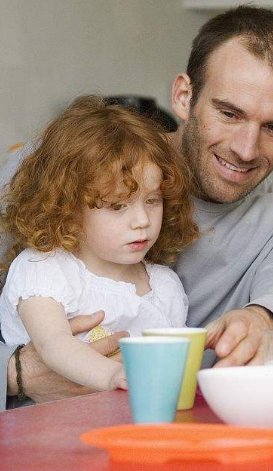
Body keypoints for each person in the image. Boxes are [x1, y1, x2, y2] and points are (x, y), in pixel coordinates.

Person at [1, 6, 273, 409]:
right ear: (183, 95)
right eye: (229, 114)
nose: (246, 149)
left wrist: (260, 320)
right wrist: (14, 375)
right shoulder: (62, 166)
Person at [0, 96, 198, 392]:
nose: (142, 220)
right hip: (48, 428)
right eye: (118, 206)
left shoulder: (164, 286)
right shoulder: (44, 270)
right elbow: (53, 344)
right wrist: (112, 377)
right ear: (68, 208)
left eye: (152, 201)